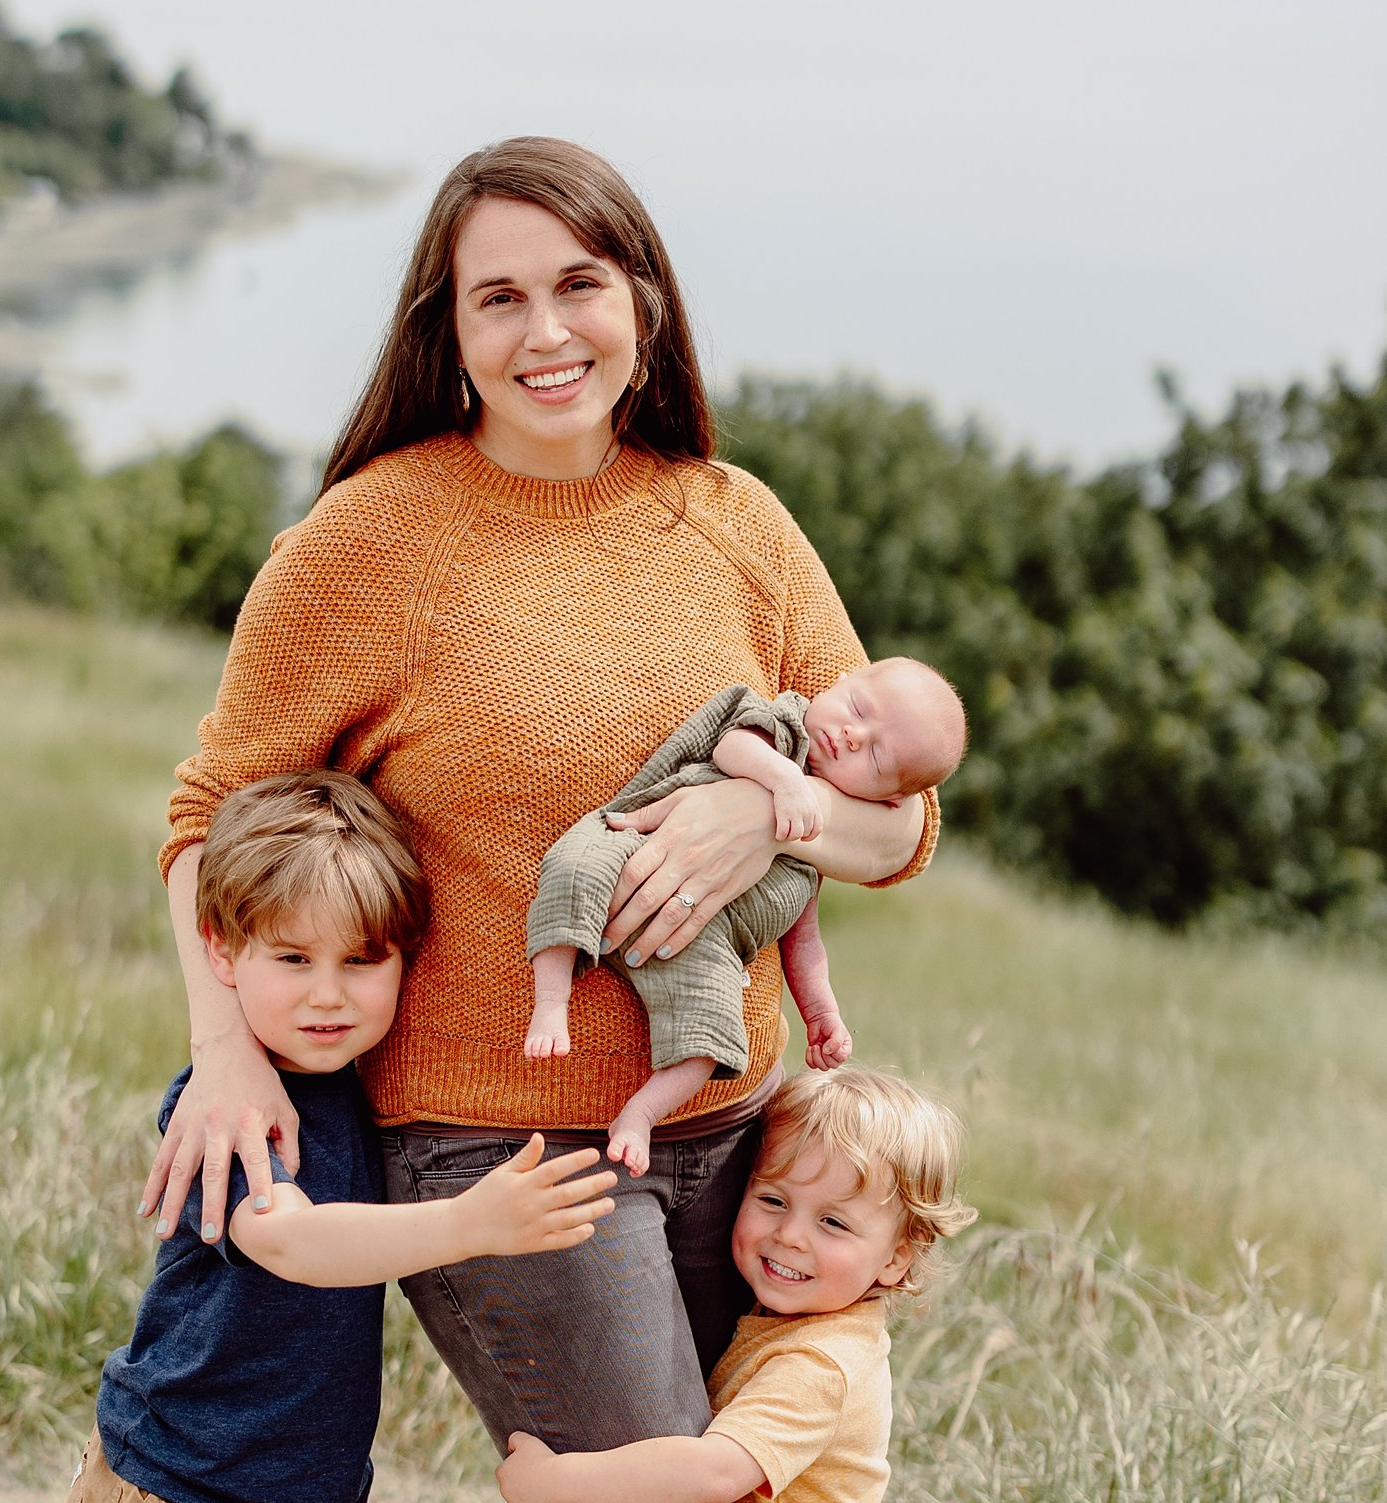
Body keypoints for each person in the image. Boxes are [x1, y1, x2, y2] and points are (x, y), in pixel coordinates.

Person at [144, 135, 940, 1456]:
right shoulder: (366, 537)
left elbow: (905, 822)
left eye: (580, 284)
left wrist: (763, 815)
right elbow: (207, 808)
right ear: (448, 332)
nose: (547, 331)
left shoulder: (735, 521)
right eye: (498, 298)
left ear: (646, 304)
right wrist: (226, 1047)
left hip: (745, 1132)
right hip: (503, 1141)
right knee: (652, 1480)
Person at [74, 771, 617, 1503]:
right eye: (294, 958)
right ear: (223, 951)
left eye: (360, 960)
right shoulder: (231, 1107)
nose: (327, 993)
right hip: (176, 1473)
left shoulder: (363, 1090)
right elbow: (289, 1239)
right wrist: (468, 1221)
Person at [525, 658, 966, 1174]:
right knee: (574, 868)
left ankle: (640, 1115)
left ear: (887, 800)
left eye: (873, 753)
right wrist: (782, 781)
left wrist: (821, 1014)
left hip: (692, 943)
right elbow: (731, 746)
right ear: (839, 681)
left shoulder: (815, 849)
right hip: (633, 841)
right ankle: (551, 1003)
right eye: (857, 708)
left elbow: (805, 944)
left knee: (712, 1033)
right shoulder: (783, 725)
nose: (850, 734)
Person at [494, 1065, 978, 1503]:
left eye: (833, 1223)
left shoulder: (824, 1366)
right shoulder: (796, 1318)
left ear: (895, 1259)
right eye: (773, 1200)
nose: (789, 1236)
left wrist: (553, 1484)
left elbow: (716, 1474)